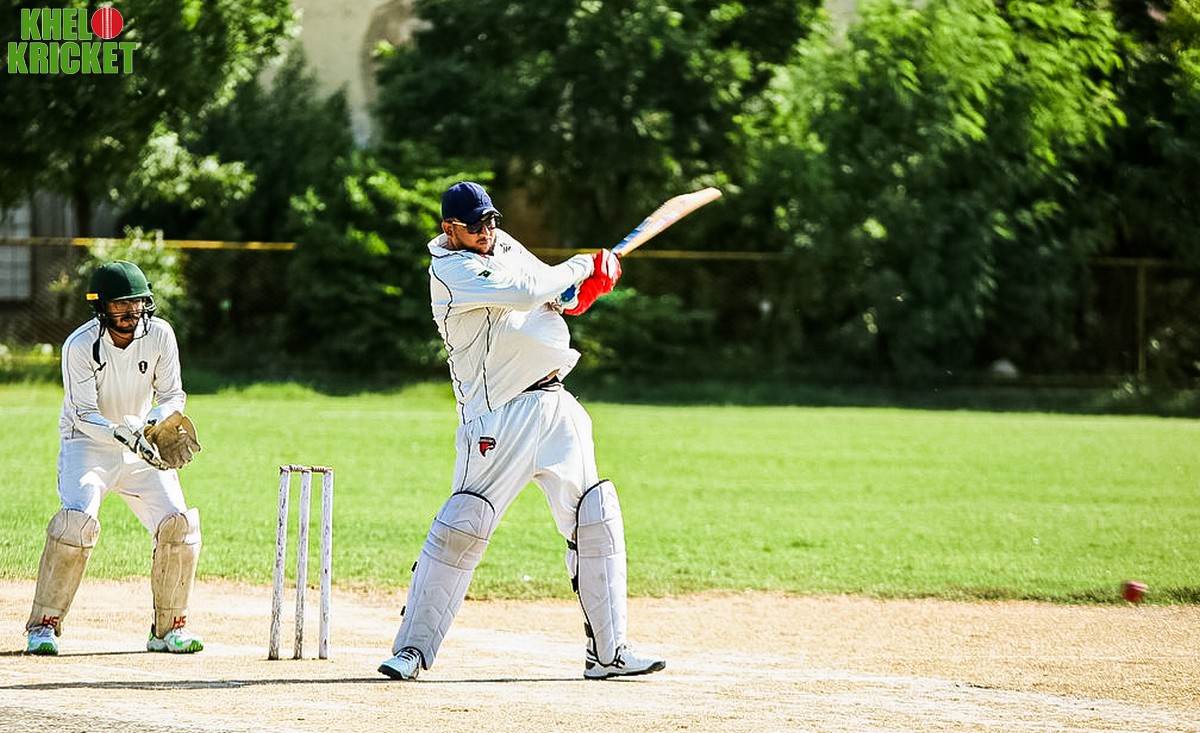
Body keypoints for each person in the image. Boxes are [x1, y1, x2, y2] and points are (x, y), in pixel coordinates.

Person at [378, 182, 665, 681]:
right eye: (475, 225)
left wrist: (579, 291)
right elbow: (527, 292)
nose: (487, 231)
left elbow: (549, 291)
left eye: (491, 220)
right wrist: (583, 264)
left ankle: (609, 653)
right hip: (498, 415)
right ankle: (412, 651)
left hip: (556, 403)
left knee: (595, 515)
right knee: (464, 524)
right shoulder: (450, 270)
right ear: (450, 228)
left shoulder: (502, 243)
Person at [25, 260, 204, 656]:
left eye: (136, 303)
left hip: (142, 447)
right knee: (76, 523)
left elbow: (172, 394)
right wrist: (121, 433)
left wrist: (157, 422)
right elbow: (84, 414)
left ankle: (168, 629)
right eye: (120, 304)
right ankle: (43, 625)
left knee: (179, 525)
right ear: (101, 307)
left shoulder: (160, 334)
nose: (130, 311)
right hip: (87, 445)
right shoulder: (79, 346)